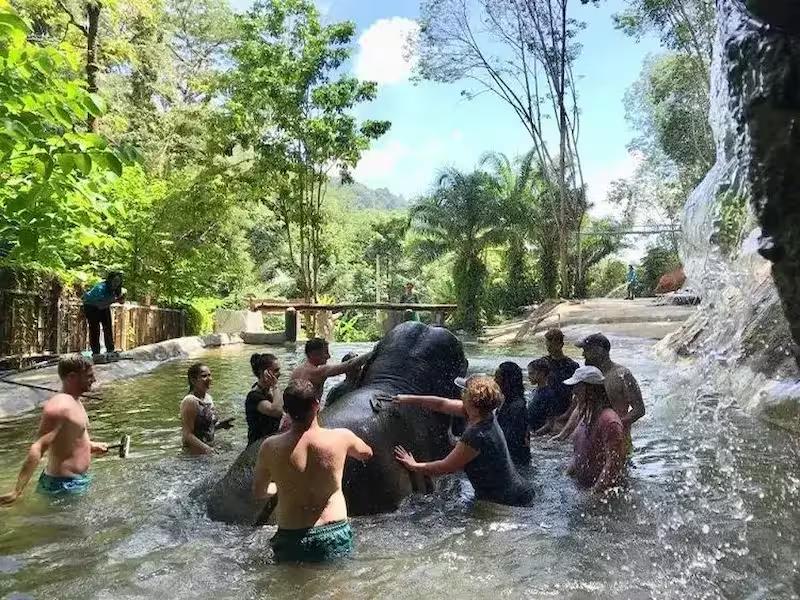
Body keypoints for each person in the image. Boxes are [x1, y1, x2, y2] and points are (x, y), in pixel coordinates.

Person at [252, 379, 373, 563]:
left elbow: (259, 492)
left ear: (286, 410)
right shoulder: (341, 437)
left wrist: (279, 487)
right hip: (334, 531)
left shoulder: (269, 447)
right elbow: (367, 453)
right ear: (317, 404)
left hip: (291, 537)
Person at [393, 375, 534, 507]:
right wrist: (406, 399)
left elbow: (444, 467)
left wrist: (413, 465)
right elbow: (441, 404)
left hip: (507, 502)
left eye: (464, 392)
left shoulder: (476, 434)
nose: (461, 395)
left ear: (471, 401)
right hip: (516, 491)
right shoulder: (485, 414)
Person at [0, 355, 107, 503]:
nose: (94, 380)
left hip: (75, 482)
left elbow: (70, 439)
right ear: (72, 377)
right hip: (62, 487)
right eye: (89, 376)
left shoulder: (75, 401)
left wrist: (92, 446)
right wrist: (16, 491)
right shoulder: (59, 407)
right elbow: (38, 447)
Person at [552, 333, 645, 451]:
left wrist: (613, 426)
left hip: (618, 441)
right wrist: (563, 435)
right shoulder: (588, 376)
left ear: (599, 351)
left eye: (586, 350)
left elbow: (639, 410)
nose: (583, 354)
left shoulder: (622, 375)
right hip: (592, 439)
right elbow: (580, 407)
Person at [562, 366, 626, 494]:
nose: (574, 392)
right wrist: (566, 475)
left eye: (577, 387)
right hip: (584, 489)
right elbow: (579, 452)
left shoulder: (609, 421)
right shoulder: (587, 416)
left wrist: (593, 494)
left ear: (590, 390)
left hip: (602, 497)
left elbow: (613, 464)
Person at [290, 338, 373, 402]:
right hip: (307, 418)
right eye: (325, 352)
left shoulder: (297, 371)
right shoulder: (318, 371)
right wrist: (375, 352)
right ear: (314, 354)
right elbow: (349, 365)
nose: (328, 356)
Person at [180, 363, 233, 455]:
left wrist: (220, 425)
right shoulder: (190, 401)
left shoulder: (208, 398)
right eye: (204, 376)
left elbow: (203, 430)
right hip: (193, 455)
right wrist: (207, 449)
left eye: (209, 375)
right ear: (193, 380)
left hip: (207, 449)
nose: (209, 379)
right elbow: (187, 434)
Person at [82, 271, 126, 358]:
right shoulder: (100, 288)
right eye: (114, 281)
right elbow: (100, 306)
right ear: (110, 280)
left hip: (103, 306)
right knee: (95, 328)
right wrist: (115, 300)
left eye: (118, 282)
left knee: (108, 327)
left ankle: (110, 349)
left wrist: (120, 300)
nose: (116, 284)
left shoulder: (116, 289)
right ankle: (96, 352)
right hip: (91, 306)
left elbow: (118, 301)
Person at [494, 362, 530, 464]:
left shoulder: (517, 407)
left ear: (507, 381)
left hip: (514, 462)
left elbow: (509, 438)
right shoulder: (509, 401)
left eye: (498, 377)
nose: (494, 380)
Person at [245, 353, 284, 446]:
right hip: (257, 447)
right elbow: (277, 411)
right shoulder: (254, 396)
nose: (280, 373)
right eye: (276, 370)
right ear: (264, 372)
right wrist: (275, 385)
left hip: (269, 443)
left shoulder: (269, 392)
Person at [526, 358, 558, 434]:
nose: (529, 376)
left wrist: (534, 435)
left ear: (542, 374)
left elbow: (550, 423)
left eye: (532, 373)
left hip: (538, 434)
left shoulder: (549, 395)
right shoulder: (535, 391)